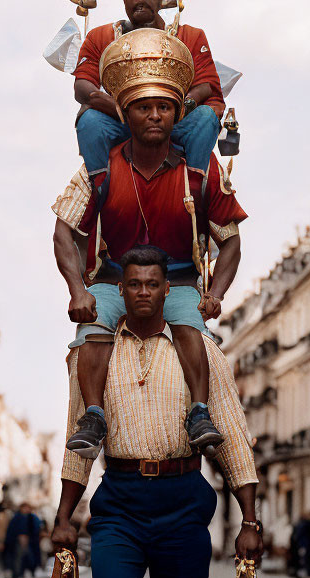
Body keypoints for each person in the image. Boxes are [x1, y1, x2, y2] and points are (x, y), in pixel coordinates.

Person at [51, 246, 263, 578]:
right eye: (133, 284)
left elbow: (231, 433)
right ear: (120, 290)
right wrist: (64, 515)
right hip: (120, 506)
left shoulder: (200, 350)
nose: (143, 292)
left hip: (183, 502)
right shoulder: (94, 353)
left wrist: (249, 520)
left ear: (168, 290)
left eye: (152, 284)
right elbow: (77, 437)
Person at [52, 27, 247, 460]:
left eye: (164, 107)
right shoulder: (96, 171)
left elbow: (231, 241)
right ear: (126, 114)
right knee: (91, 331)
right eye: (143, 108)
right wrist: (78, 291)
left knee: (191, 328)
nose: (155, 116)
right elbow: (63, 230)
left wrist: (214, 295)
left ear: (177, 114)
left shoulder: (203, 173)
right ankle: (94, 416)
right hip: (115, 279)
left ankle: (200, 412)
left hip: (177, 279)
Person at [72, 0, 225, 175]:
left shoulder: (190, 36)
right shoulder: (100, 37)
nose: (139, 1)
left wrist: (183, 106)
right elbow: (82, 84)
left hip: (173, 124)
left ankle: (194, 187)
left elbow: (206, 85)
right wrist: (109, 104)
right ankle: (99, 189)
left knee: (205, 117)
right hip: (124, 123)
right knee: (90, 121)